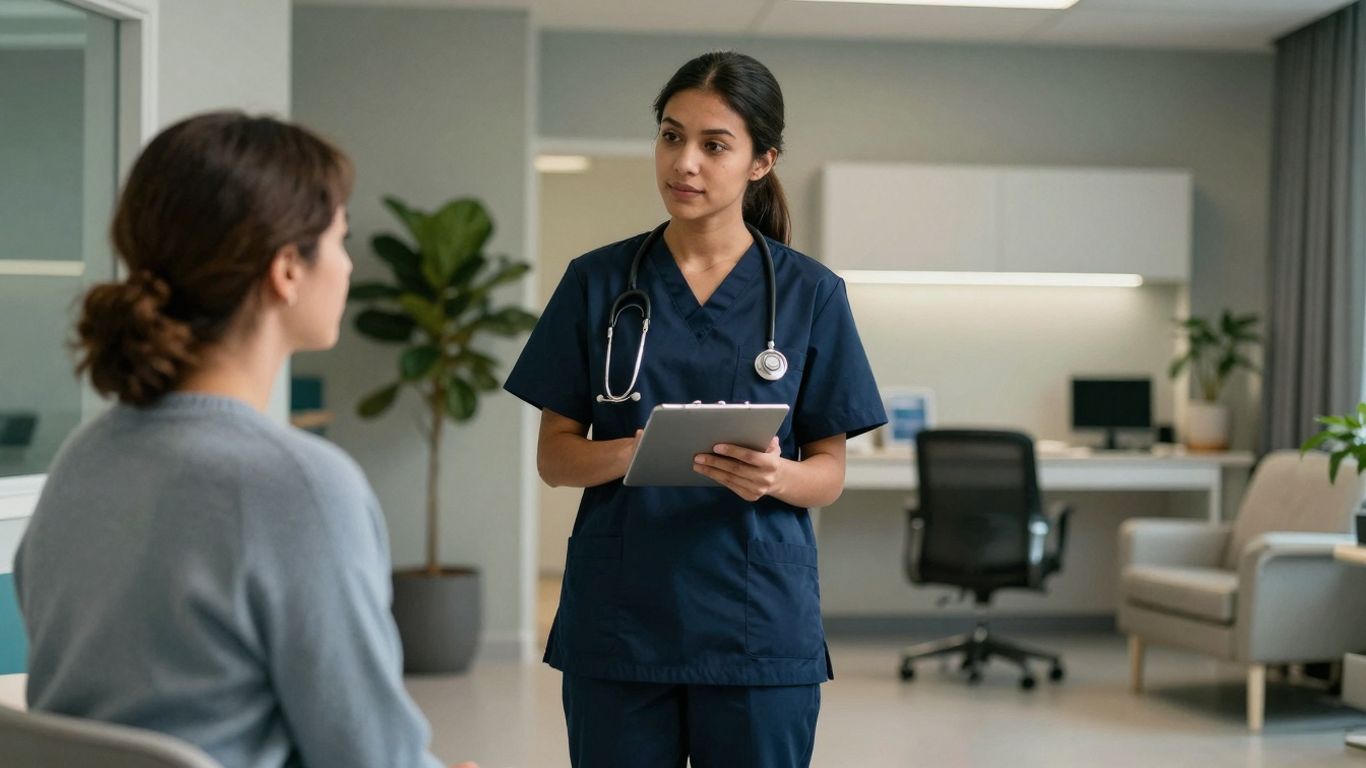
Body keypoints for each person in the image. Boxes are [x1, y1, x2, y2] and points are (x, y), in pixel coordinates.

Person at [13, 112, 474, 768]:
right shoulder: (302, 486)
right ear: (287, 269)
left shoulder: (84, 457)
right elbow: (371, 756)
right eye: (339, 240)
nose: (346, 267)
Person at [504, 51, 886, 767]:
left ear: (760, 162)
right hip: (622, 625)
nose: (685, 163)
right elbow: (555, 457)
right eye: (671, 136)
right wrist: (638, 451)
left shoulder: (811, 295)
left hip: (756, 625)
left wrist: (773, 476)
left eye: (714, 146)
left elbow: (828, 471)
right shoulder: (596, 282)